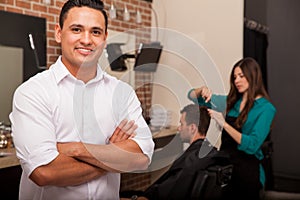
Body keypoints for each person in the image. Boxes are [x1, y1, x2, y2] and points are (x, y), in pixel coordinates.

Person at [9, 0, 154, 199]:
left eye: (95, 32)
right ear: (59, 33)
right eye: (77, 29)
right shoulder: (33, 92)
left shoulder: (122, 93)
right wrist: (111, 156)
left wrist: (75, 149)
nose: (86, 40)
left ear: (105, 38)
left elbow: (141, 157)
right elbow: (45, 172)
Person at [188, 57, 276, 199]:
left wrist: (224, 124)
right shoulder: (230, 101)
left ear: (253, 75)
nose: (237, 81)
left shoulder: (266, 109)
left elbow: (252, 145)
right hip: (225, 165)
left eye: (241, 76)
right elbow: (192, 96)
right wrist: (202, 90)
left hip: (247, 169)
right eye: (235, 77)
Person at [120, 104, 230, 200]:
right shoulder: (211, 154)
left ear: (192, 128)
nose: (178, 128)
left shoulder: (190, 163)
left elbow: (159, 194)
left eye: (181, 124)